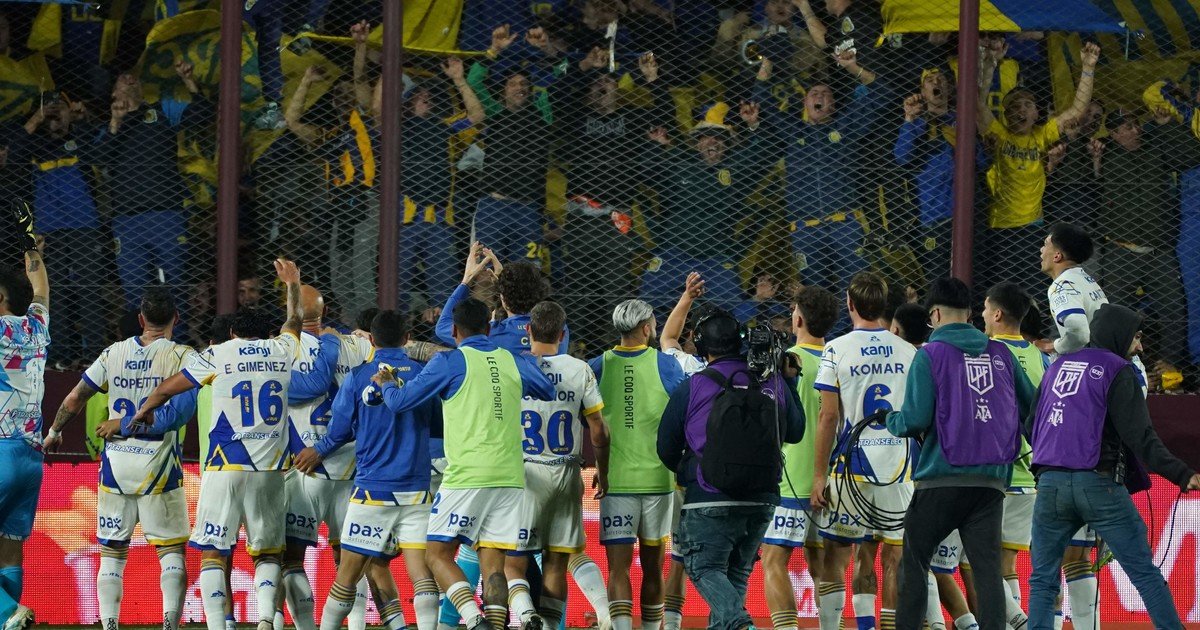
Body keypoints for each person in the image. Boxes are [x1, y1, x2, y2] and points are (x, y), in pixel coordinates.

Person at [129, 259, 305, 630]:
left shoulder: (218, 354)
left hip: (225, 466)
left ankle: (216, 624)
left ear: (233, 332)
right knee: (267, 553)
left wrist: (145, 410)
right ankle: (265, 619)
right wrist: (292, 284)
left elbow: (168, 388)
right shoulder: (282, 350)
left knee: (213, 551)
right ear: (266, 334)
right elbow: (294, 322)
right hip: (270, 470)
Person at [374, 297, 555, 630]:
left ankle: (473, 619)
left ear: (455, 330)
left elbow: (400, 402)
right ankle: (499, 624)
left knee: (436, 554)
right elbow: (546, 389)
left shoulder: (449, 362)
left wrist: (386, 384)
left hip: (467, 475)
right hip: (510, 476)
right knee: (494, 564)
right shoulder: (512, 359)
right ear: (489, 328)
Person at [1025, 304, 1200, 630]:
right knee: (1143, 572)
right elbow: (1141, 437)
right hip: (1099, 485)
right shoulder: (1118, 370)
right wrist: (1182, 473)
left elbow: (1030, 425)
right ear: (1119, 335)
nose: (1140, 347)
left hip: (1049, 485)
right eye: (1136, 337)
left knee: (1042, 579)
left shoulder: (1057, 365)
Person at [883, 278, 1034, 630]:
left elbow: (914, 419)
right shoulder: (1002, 354)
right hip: (991, 482)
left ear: (934, 315)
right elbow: (1035, 410)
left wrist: (891, 420)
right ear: (969, 314)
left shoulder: (930, 355)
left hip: (941, 478)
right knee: (988, 573)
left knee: (914, 564)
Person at [44, 287, 195, 630]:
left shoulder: (113, 353)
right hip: (158, 465)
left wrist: (54, 431)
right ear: (176, 318)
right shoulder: (183, 356)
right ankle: (170, 623)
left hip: (116, 465)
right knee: (170, 551)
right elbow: (177, 415)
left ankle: (109, 623)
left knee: (112, 552)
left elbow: (75, 397)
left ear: (141, 319)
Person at [657, 308, 806, 630]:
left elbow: (666, 446)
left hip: (708, 493)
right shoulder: (772, 379)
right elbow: (795, 432)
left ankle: (740, 623)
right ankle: (735, 623)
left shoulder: (695, 384)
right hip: (763, 495)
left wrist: (691, 472)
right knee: (736, 573)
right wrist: (789, 381)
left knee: (703, 567)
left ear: (700, 344)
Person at [293, 310, 442, 630]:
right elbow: (438, 426)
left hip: (372, 490)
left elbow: (340, 430)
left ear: (371, 340)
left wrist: (319, 450)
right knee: (422, 573)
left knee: (347, 575)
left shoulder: (358, 377)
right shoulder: (424, 374)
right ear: (407, 339)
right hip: (416, 488)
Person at [810, 272, 917, 630]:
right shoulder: (909, 350)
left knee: (838, 558)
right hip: (898, 469)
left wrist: (818, 476)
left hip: (851, 468)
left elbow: (828, 416)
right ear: (884, 305)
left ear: (850, 304)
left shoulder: (836, 348)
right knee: (893, 559)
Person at [505, 301, 612, 630]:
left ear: (528, 330)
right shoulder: (580, 369)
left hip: (526, 473)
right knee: (556, 561)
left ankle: (527, 616)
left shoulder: (514, 366)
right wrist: (603, 471)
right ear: (563, 334)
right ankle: (597, 614)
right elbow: (598, 429)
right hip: (566, 472)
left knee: (513, 563)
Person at [279, 285, 373, 630]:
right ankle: (357, 625)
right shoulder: (359, 346)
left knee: (291, 558)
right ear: (326, 310)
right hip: (351, 467)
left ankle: (306, 626)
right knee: (349, 558)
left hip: (306, 467)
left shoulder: (283, 350)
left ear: (289, 312)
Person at [589, 299, 686, 630]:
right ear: (646, 328)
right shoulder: (667, 366)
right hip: (658, 481)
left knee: (618, 569)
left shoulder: (597, 366)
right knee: (653, 568)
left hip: (615, 481)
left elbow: (589, 420)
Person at [756, 50, 882, 296]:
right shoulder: (793, 131)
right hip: (805, 229)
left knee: (857, 289)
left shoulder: (846, 126)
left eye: (825, 94)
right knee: (814, 292)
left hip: (845, 224)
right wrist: (768, 61)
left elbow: (882, 93)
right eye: (813, 94)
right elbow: (762, 100)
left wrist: (853, 68)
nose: (819, 96)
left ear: (833, 104)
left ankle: (854, 322)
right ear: (805, 103)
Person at [976, 41, 1099, 293]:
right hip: (1001, 227)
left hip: (1033, 227)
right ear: (1005, 114)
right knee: (1003, 292)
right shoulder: (1000, 135)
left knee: (1033, 292)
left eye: (1027, 105)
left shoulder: (1041, 136)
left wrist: (1088, 68)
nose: (1020, 110)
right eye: (1013, 106)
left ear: (1036, 114)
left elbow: (1077, 110)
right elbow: (977, 104)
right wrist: (990, 66)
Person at [93, 62, 212, 316]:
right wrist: (116, 121)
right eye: (121, 79)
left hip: (166, 215)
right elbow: (100, 160)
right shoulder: (109, 127)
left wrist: (189, 81)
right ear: (114, 93)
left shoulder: (162, 109)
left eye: (132, 77)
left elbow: (204, 113)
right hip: (126, 221)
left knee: (175, 288)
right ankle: (141, 340)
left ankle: (178, 338)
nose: (129, 78)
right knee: (135, 293)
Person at [1087, 108, 1191, 367]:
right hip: (1121, 250)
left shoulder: (1156, 147)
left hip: (1158, 250)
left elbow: (1189, 157)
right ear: (1114, 133)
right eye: (1128, 126)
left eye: (1136, 124)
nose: (1137, 130)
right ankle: (1109, 365)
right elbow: (1088, 187)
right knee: (1113, 313)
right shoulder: (1104, 151)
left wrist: (1166, 125)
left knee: (1173, 310)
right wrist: (1095, 161)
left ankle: (1169, 367)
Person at [762, 286, 840, 630]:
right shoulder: (839, 356)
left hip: (791, 477)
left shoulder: (785, 360)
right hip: (834, 480)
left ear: (797, 320)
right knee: (823, 562)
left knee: (774, 560)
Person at [639, 101, 766, 308]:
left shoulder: (737, 170)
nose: (713, 141)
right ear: (697, 144)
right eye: (706, 137)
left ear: (728, 144)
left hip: (716, 258)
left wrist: (753, 125)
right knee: (645, 305)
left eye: (719, 137)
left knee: (731, 310)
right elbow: (644, 174)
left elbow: (764, 153)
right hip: (674, 254)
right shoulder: (678, 165)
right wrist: (657, 146)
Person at [398, 57, 485, 317]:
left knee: (444, 291)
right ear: (407, 102)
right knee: (397, 290)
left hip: (439, 219)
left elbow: (477, 115)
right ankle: (395, 334)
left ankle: (442, 334)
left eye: (429, 95)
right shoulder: (395, 130)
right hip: (403, 220)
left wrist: (458, 79)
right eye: (418, 95)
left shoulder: (445, 128)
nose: (426, 97)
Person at [981, 282, 1047, 627]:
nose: (981, 315)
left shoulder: (986, 354)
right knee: (1007, 564)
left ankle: (1017, 622)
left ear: (997, 314)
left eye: (984, 308)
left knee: (974, 561)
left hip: (994, 472)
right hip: (1031, 474)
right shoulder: (1042, 358)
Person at [0, 201, 49, 630]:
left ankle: (6, 611)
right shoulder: (37, 326)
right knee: (9, 547)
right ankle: (8, 621)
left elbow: (36, 289)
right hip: (32, 457)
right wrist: (31, 245)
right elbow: (40, 290)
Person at [437, 245, 570, 355]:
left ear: (503, 299)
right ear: (539, 292)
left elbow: (442, 327)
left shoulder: (491, 332)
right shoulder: (557, 327)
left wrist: (467, 280)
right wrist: (503, 289)